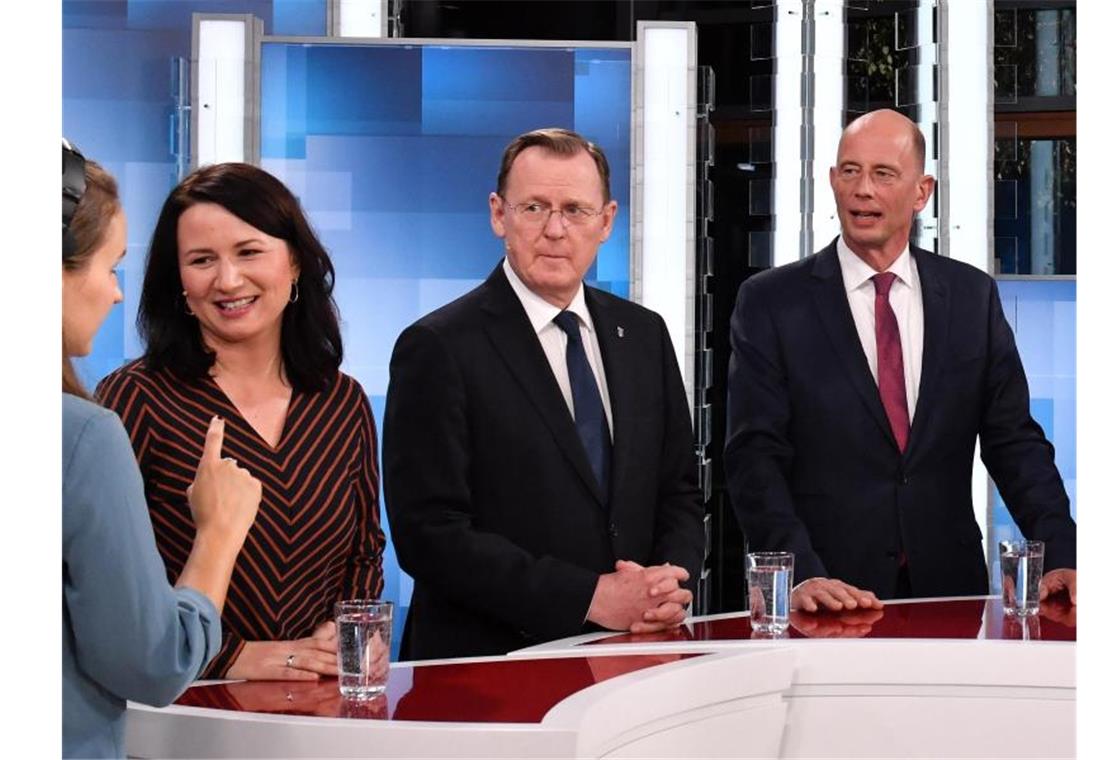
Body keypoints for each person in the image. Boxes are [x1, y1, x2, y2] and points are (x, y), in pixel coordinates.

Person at [724, 109, 1077, 612]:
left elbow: (1013, 440)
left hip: (949, 586)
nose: (862, 189)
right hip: (826, 592)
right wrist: (798, 574)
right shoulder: (771, 302)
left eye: (883, 174)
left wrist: (1062, 551)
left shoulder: (969, 296)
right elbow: (754, 456)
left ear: (921, 191)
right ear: (832, 182)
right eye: (849, 171)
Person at [383, 128, 705, 660]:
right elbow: (429, 535)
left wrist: (666, 582)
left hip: (635, 654)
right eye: (534, 207)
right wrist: (589, 597)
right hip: (488, 669)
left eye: (576, 210)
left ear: (606, 222)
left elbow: (679, 493)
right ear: (498, 215)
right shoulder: (438, 346)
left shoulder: (643, 334)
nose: (555, 229)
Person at [96, 163, 385, 681]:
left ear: (294, 260)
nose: (228, 280)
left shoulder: (342, 402)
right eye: (202, 260)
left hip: (316, 710)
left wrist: (351, 638)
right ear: (178, 281)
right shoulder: (134, 399)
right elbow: (106, 582)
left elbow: (364, 552)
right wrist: (231, 655)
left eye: (249, 252)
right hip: (180, 709)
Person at [62, 141, 262, 758]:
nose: (114, 293)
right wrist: (219, 533)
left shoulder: (343, 400)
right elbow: (153, 660)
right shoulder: (90, 433)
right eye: (108, 266)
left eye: (250, 251)